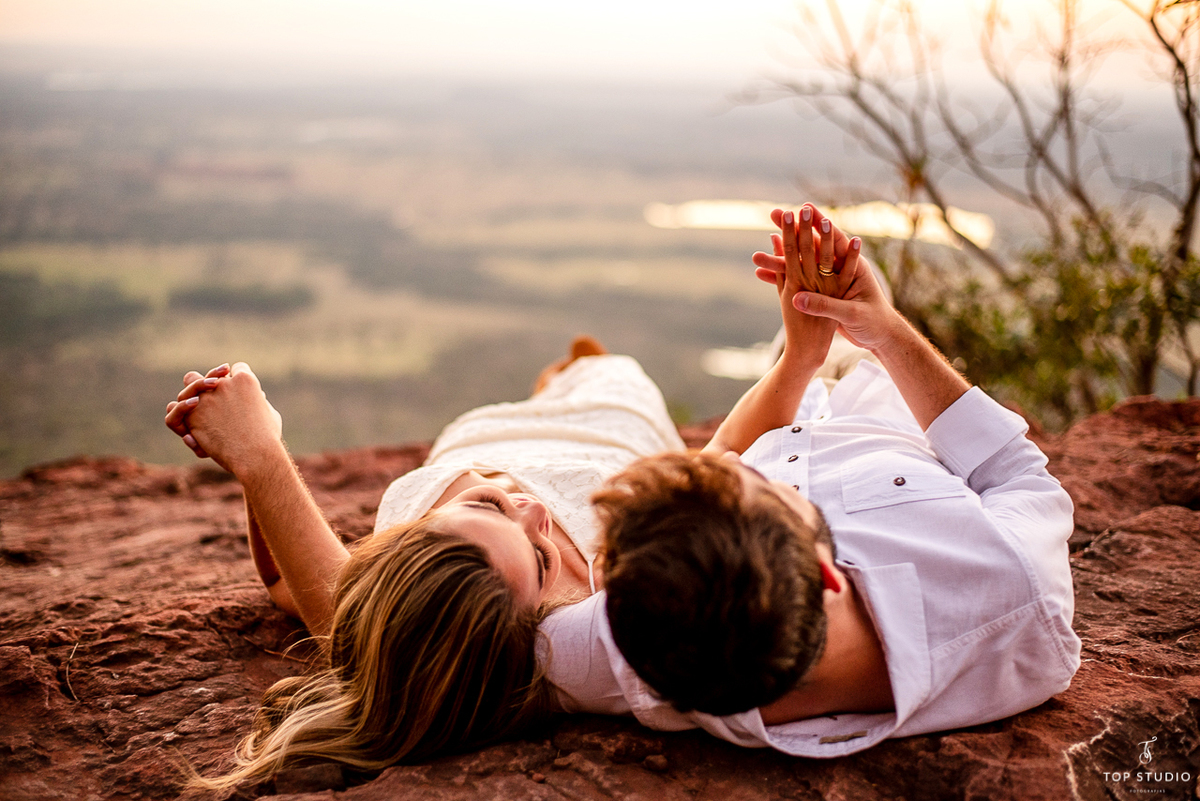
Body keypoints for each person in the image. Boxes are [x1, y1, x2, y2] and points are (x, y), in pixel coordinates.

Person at [544, 205, 1082, 756]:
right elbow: (1013, 470)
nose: (746, 464)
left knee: (801, 317)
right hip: (889, 399)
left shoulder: (628, 646)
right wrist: (888, 334)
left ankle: (790, 347)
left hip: (796, 379)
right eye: (772, 488)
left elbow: (726, 450)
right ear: (829, 573)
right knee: (845, 304)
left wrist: (800, 360)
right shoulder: (1014, 593)